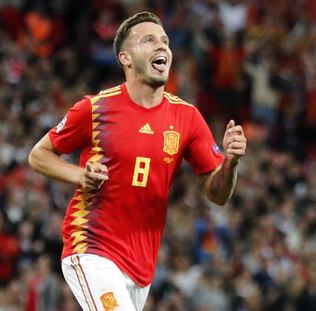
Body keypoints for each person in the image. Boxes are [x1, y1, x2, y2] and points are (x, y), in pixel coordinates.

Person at [28, 11, 247, 311]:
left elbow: (217, 194)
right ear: (126, 58)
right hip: (92, 247)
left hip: (141, 264)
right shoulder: (95, 109)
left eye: (165, 41)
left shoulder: (187, 118)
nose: (162, 47)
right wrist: (78, 175)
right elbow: (38, 154)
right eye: (149, 40)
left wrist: (231, 164)